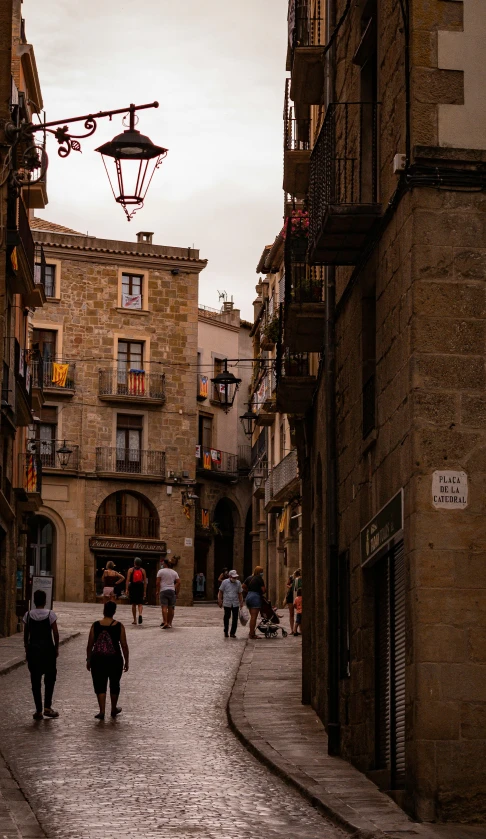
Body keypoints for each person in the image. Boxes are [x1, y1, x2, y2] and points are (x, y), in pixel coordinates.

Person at [86, 601, 129, 720]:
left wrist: (88, 659)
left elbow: (90, 644)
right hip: (115, 659)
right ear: (114, 612)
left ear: (104, 610)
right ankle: (113, 708)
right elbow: (124, 645)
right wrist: (127, 661)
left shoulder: (95, 625)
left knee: (100, 683)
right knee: (114, 683)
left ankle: (102, 710)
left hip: (98, 659)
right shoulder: (119, 626)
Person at [23, 590, 59, 720]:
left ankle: (38, 710)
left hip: (34, 650)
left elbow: (26, 634)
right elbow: (55, 633)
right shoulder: (50, 615)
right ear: (44, 601)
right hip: (48, 650)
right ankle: (47, 707)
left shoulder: (28, 615)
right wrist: (56, 648)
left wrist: (26, 648)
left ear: (34, 600)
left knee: (35, 680)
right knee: (50, 679)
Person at [242, 565, 266, 640]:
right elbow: (263, 590)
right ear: (259, 572)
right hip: (255, 597)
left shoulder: (249, 578)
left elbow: (243, 586)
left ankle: (251, 632)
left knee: (252, 616)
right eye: (262, 572)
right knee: (254, 617)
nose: (262, 573)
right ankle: (252, 634)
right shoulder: (259, 579)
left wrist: (248, 591)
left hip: (249, 596)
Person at [156, 558, 180, 629]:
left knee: (164, 607)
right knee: (171, 608)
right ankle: (170, 623)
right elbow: (179, 582)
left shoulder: (160, 571)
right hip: (172, 591)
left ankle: (165, 622)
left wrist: (157, 590)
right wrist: (174, 587)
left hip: (163, 590)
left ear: (165, 564)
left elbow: (158, 582)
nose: (162, 564)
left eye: (163, 563)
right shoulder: (174, 572)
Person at [218, 570, 243, 638]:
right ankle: (226, 631)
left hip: (235, 603)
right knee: (227, 617)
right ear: (230, 576)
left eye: (235, 577)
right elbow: (220, 591)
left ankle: (232, 633)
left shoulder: (238, 583)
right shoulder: (225, 582)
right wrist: (220, 600)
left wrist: (241, 602)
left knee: (235, 618)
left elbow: (240, 593)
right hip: (227, 602)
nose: (235, 579)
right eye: (233, 577)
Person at [125, 557, 147, 625]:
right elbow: (145, 582)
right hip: (140, 586)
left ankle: (134, 620)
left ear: (134, 563)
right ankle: (140, 614)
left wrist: (127, 589)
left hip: (133, 587)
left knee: (134, 604)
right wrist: (144, 591)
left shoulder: (130, 570)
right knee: (140, 603)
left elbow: (128, 580)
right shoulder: (143, 570)